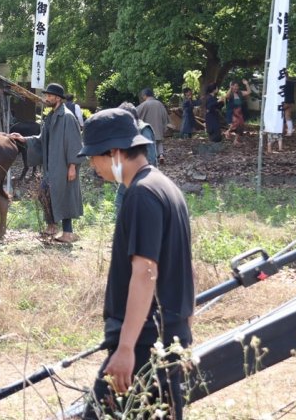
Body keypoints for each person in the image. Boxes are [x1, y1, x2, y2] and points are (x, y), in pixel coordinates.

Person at [77, 108, 194, 420]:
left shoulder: (142, 195)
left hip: (144, 342)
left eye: (93, 156)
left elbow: (145, 273)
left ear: (115, 152)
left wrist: (126, 348)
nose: (92, 165)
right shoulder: (166, 187)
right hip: (168, 335)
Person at [9, 83, 83, 244]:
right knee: (45, 193)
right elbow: (42, 139)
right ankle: (52, 226)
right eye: (46, 95)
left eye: (49, 96)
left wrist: (72, 166)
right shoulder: (51, 117)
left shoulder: (67, 117)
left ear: (58, 98)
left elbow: (75, 143)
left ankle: (68, 233)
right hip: (51, 164)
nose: (46, 98)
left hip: (63, 164)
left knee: (65, 195)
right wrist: (24, 139)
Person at [115, 102, 157, 215]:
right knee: (120, 205)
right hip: (127, 176)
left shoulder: (144, 130)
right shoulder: (128, 130)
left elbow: (150, 158)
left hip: (143, 179)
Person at [136, 88, 170, 163]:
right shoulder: (159, 103)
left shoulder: (144, 104)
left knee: (150, 144)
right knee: (159, 142)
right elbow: (165, 115)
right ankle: (161, 155)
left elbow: (136, 113)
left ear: (145, 95)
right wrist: (165, 125)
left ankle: (153, 158)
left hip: (149, 128)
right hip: (159, 126)